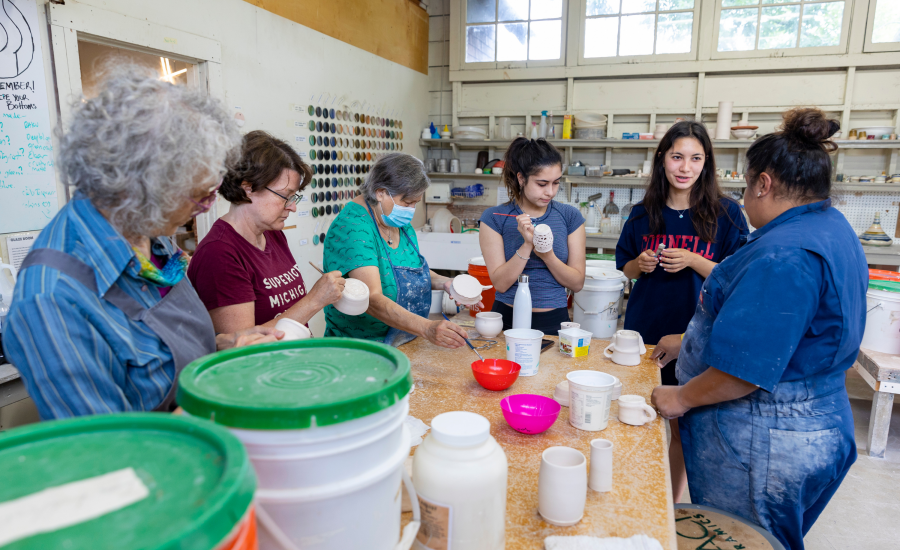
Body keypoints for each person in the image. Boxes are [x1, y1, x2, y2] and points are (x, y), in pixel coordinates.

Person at [1, 68, 282, 420]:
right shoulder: (52, 299)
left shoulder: (147, 233)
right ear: (133, 189)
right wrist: (216, 396)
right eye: (198, 196)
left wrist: (218, 350)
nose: (207, 207)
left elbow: (156, 357)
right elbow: (108, 448)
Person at [650, 108, 865, 550]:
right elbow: (787, 331)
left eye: (747, 185)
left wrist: (680, 397)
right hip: (816, 419)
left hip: (767, 440)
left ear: (763, 183)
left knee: (744, 539)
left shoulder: (783, 255)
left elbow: (744, 370)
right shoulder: (829, 227)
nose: (745, 197)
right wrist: (688, 342)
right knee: (768, 540)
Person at [615, 121, 748, 501]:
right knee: (637, 415)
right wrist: (641, 263)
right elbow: (626, 268)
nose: (685, 167)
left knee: (682, 425)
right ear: (662, 159)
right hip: (646, 331)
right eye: (677, 157)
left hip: (697, 336)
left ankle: (668, 506)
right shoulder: (643, 214)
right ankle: (634, 496)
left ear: (706, 163)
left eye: (695, 158)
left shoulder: (726, 214)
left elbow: (735, 276)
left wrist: (692, 259)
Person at [188, 131, 344, 333]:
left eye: (293, 198)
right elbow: (242, 347)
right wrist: (314, 300)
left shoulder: (273, 233)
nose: (292, 207)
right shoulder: (219, 253)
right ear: (248, 188)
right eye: (284, 196)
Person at [323, 153, 470, 348]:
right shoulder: (353, 228)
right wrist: (427, 327)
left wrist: (446, 282)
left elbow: (410, 271)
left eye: (415, 203)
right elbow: (373, 299)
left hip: (403, 338)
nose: (411, 209)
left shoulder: (396, 220)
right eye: (407, 202)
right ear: (380, 192)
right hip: (361, 347)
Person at [478, 138, 586, 335]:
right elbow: (501, 284)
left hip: (554, 321)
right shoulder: (494, 218)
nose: (550, 192)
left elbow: (577, 283)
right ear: (521, 178)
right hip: (507, 318)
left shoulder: (570, 217)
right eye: (542, 184)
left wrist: (547, 254)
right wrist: (527, 245)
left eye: (556, 183)